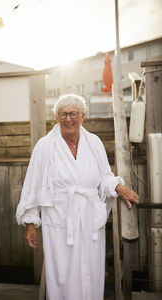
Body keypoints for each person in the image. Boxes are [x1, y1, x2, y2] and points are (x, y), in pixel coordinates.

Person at [16, 94, 139, 300]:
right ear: (56, 117)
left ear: (83, 116)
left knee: (91, 270)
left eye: (73, 114)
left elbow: (104, 177)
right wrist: (30, 222)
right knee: (62, 274)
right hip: (59, 219)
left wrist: (118, 186)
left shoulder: (94, 143)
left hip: (90, 220)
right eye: (63, 114)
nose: (68, 119)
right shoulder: (45, 146)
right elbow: (32, 184)